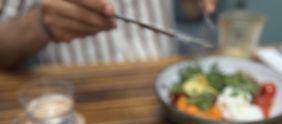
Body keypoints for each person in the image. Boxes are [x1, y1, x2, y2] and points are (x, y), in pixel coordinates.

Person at [0, 0, 216, 69]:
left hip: (165, 87)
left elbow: (191, 11)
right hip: (75, 102)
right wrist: (38, 24)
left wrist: (194, 6)